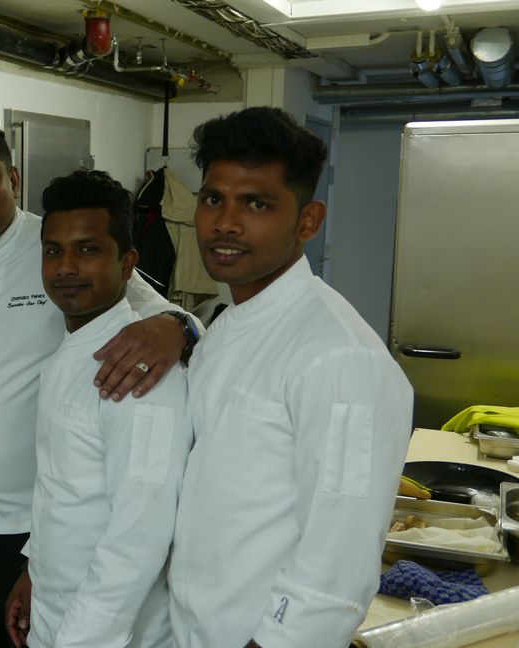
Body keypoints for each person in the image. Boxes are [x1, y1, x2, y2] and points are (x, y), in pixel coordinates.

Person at [0, 116, 200, 647]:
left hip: (27, 521)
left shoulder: (56, 242)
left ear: (12, 178)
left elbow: (160, 318)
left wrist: (179, 325)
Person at [168, 106, 412, 648]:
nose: (225, 223)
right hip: (192, 627)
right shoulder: (226, 328)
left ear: (307, 221)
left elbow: (339, 556)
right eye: (213, 199)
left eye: (257, 204)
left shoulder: (340, 357)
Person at [4, 170, 192, 648]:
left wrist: (81, 639)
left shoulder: (137, 369)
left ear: (127, 263)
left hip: (108, 633)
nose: (67, 266)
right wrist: (34, 571)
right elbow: (64, 492)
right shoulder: (70, 351)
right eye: (54, 250)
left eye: (88, 249)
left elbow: (141, 532)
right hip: (56, 605)